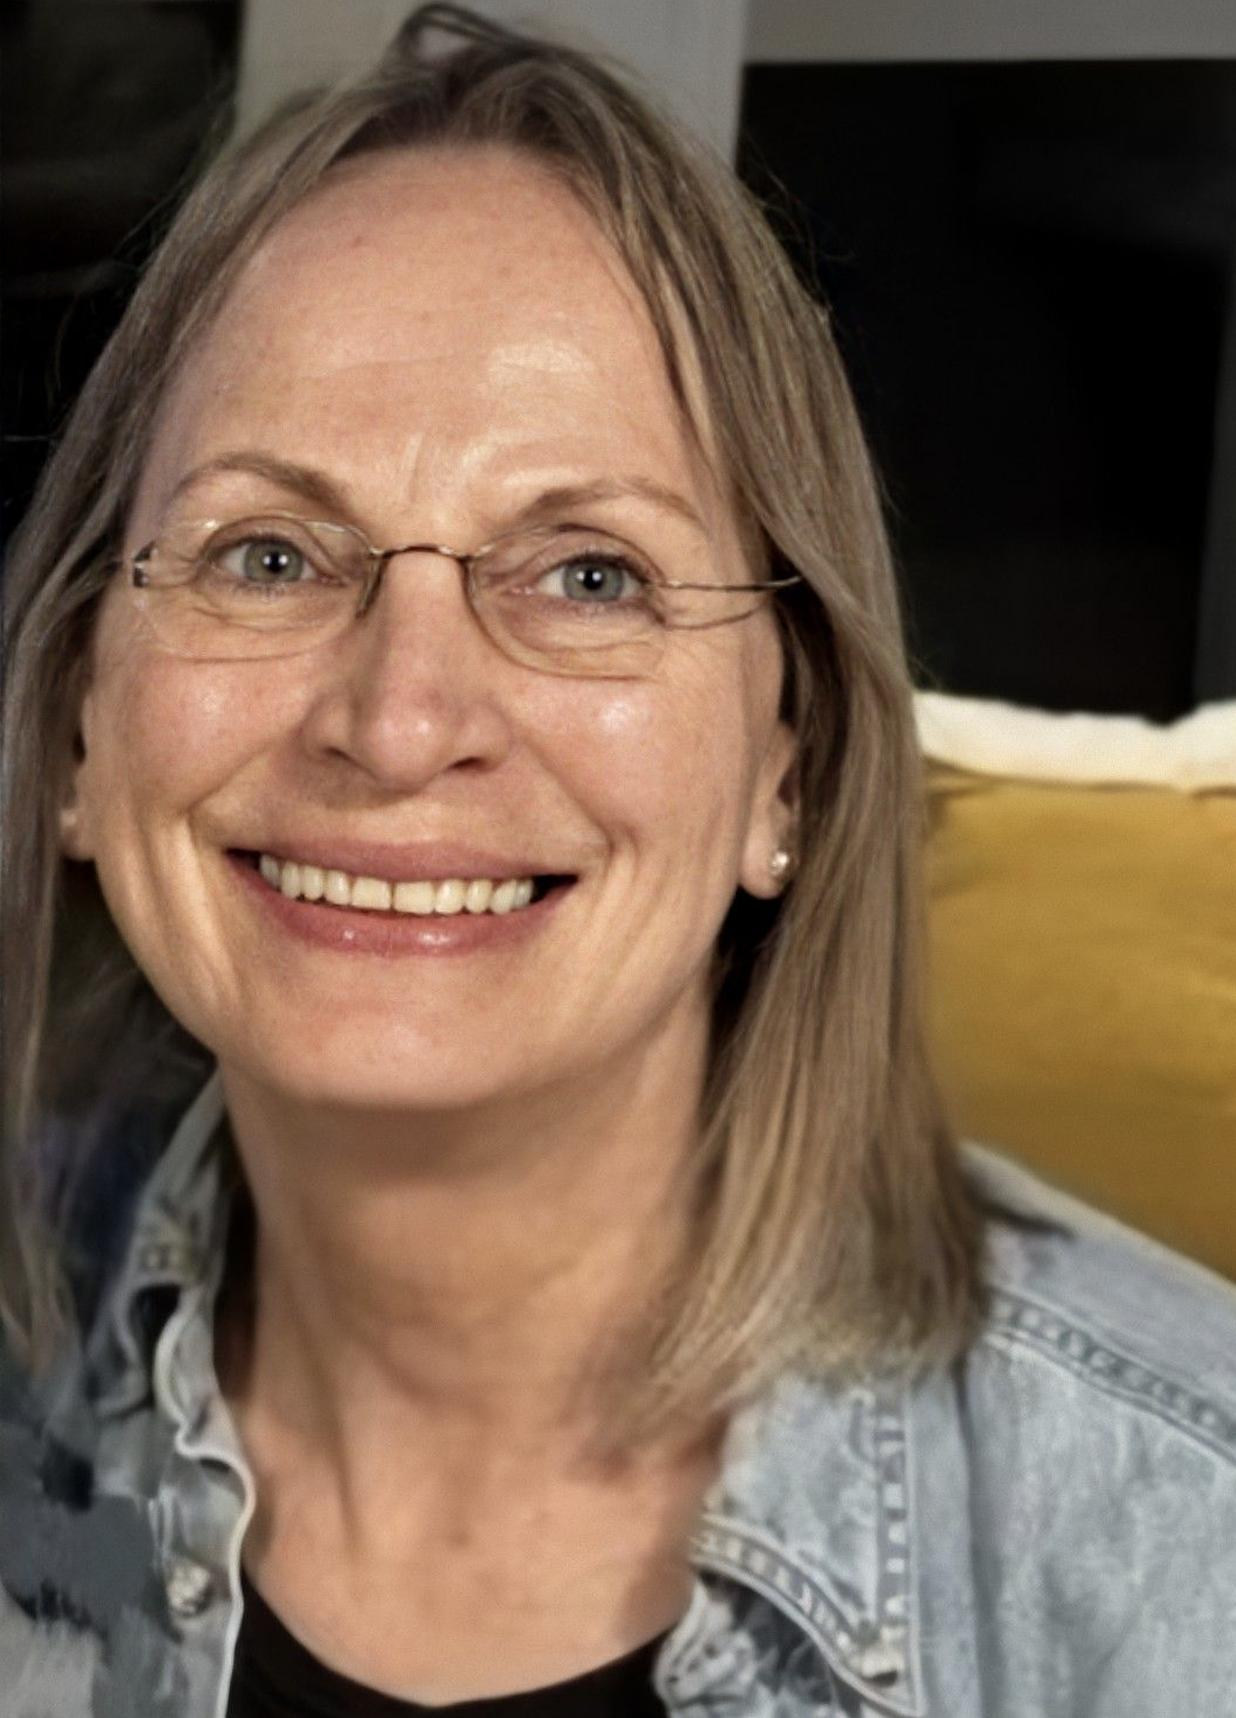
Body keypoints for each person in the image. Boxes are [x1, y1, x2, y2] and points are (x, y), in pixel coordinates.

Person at [1, 7, 1233, 1715]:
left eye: (590, 576)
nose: (401, 719)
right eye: (268, 554)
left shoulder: (1190, 1556)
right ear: (78, 722)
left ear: (788, 764)